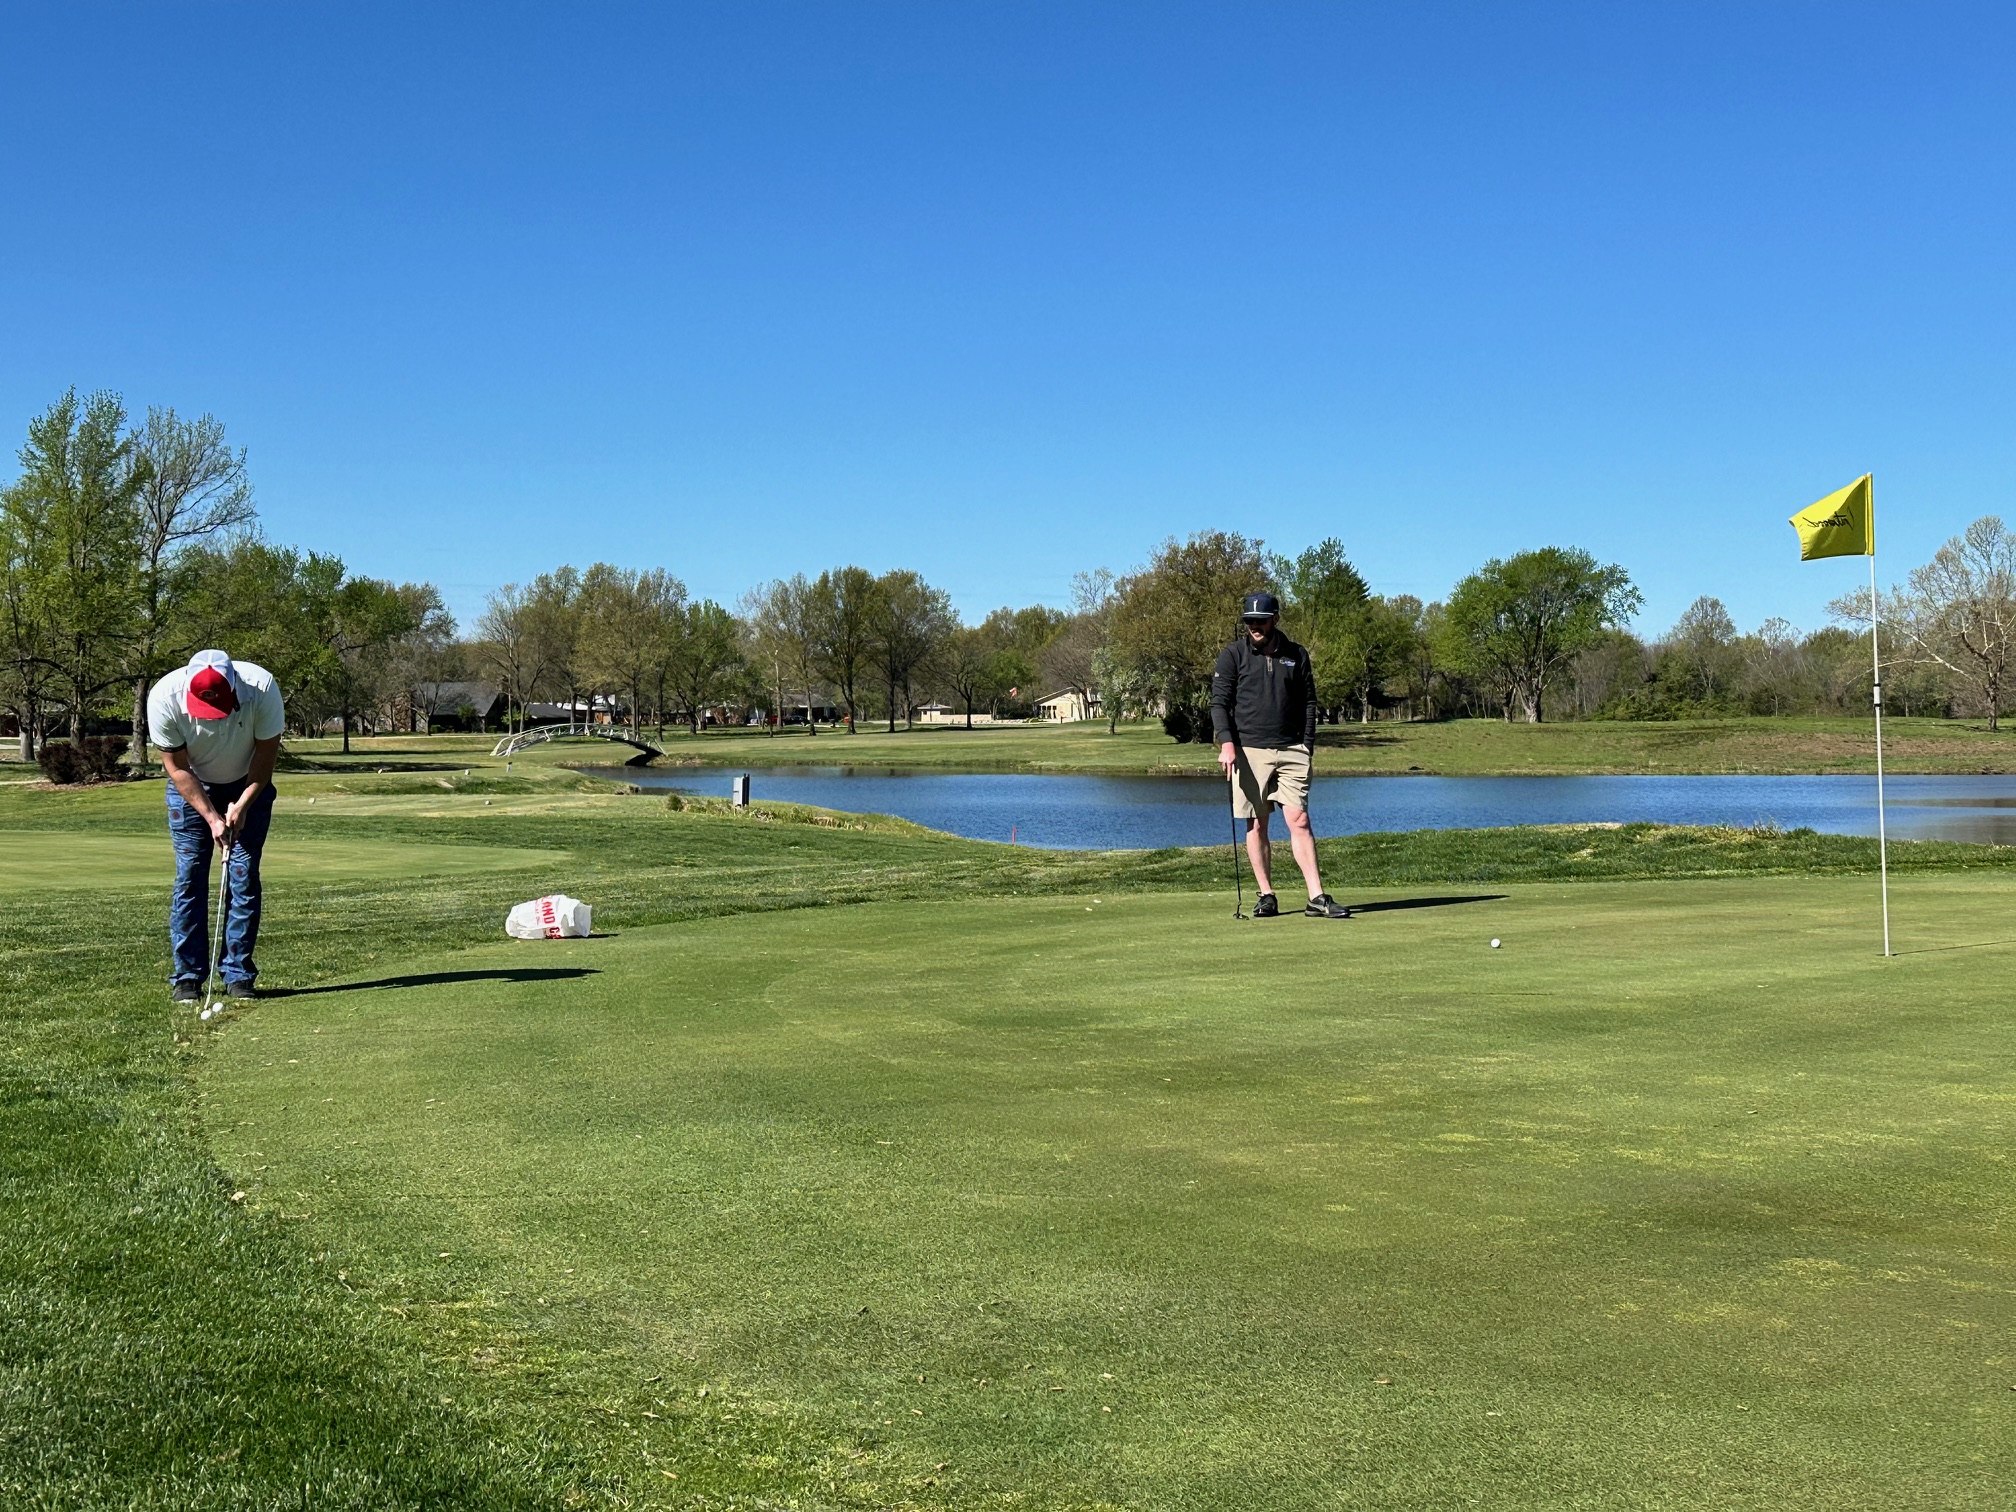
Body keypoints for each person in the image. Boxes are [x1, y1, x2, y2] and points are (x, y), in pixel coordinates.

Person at [148, 649, 286, 1002]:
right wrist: (212, 817)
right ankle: (187, 977)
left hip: (248, 784)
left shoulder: (261, 688)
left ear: (234, 688)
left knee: (243, 876)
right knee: (190, 876)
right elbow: (178, 769)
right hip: (191, 787)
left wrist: (242, 805)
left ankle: (238, 975)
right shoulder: (164, 697)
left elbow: (265, 759)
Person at [1212, 591, 1351, 919]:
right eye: (1249, 621)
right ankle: (1266, 895)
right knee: (1257, 823)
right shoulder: (1233, 655)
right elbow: (1219, 703)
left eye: (1260, 621)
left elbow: (1309, 702)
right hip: (1249, 750)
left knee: (1299, 820)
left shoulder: (1296, 654)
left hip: (1292, 749)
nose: (1255, 627)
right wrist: (1227, 743)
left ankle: (1316, 897)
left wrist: (1307, 744)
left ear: (1274, 619)